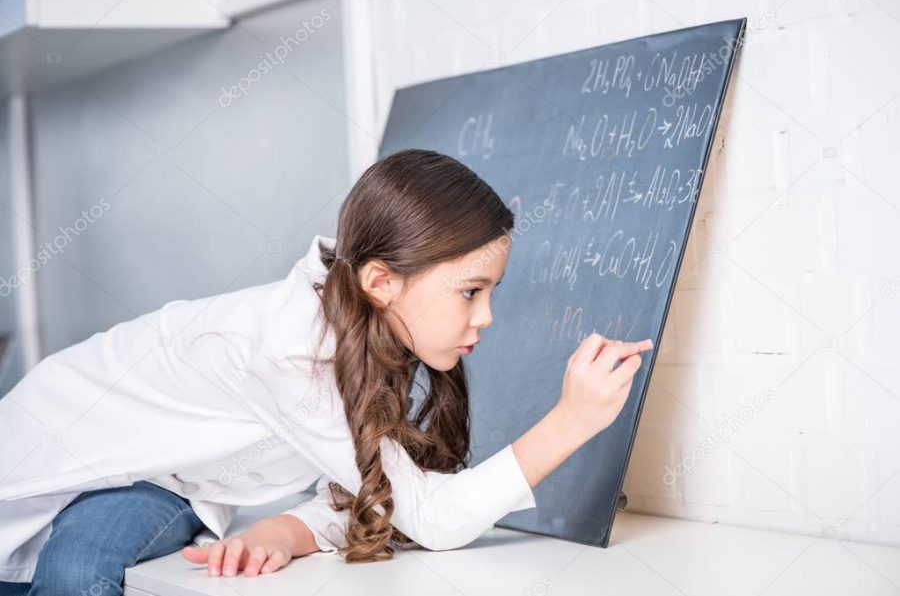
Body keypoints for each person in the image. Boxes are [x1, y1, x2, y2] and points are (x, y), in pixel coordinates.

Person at [0, 149, 652, 594]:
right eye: (470, 292)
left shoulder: (361, 317)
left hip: (164, 480)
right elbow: (432, 518)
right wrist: (571, 422)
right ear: (382, 281)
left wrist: (290, 527)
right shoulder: (291, 352)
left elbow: (369, 479)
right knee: (77, 570)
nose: (486, 317)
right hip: (63, 461)